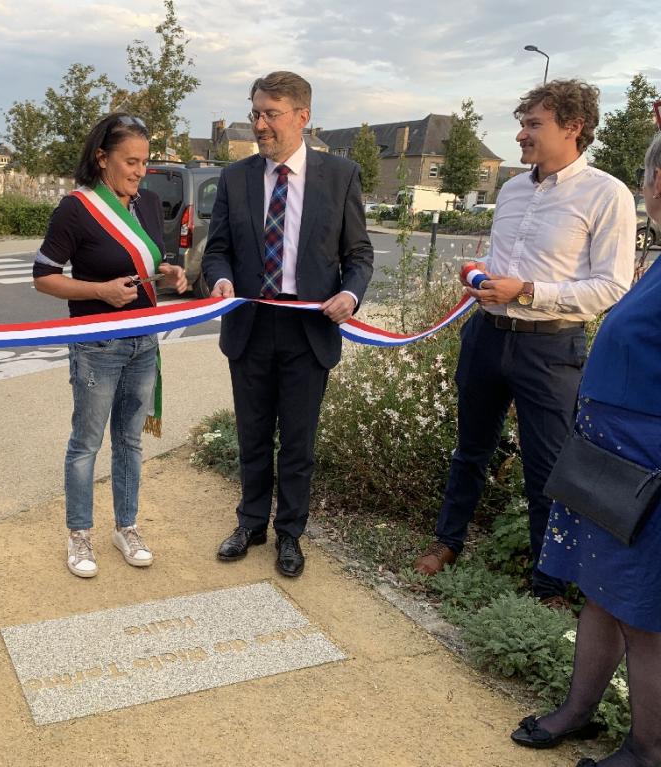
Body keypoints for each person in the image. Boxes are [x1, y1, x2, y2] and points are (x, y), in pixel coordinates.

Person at [414, 80, 635, 607]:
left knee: (549, 468)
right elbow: (506, 265)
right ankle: (449, 542)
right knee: (470, 449)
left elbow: (611, 286)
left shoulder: (608, 195)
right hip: (487, 335)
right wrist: (483, 277)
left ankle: (548, 583)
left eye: (534, 124)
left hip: (551, 349)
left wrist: (529, 292)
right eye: (524, 123)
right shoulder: (512, 190)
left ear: (574, 127)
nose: (520, 135)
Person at [509, 132, 661, 767]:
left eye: (654, 176)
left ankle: (649, 749)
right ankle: (578, 709)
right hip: (610, 454)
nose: (652, 187)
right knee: (599, 592)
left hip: (645, 464)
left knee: (643, 616)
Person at [201, 71, 374, 577]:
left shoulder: (340, 176)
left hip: (308, 333)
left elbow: (359, 255)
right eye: (255, 112)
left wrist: (350, 292)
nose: (259, 124)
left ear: (302, 116)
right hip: (250, 327)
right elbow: (218, 252)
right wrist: (221, 280)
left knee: (297, 442)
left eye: (270, 114)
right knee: (252, 435)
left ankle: (290, 534)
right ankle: (251, 523)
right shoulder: (236, 178)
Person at [33, 113, 187, 578]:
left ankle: (126, 526)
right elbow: (44, 278)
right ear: (102, 159)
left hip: (143, 341)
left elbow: (151, 262)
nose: (140, 171)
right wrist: (100, 291)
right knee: (86, 442)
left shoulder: (149, 203)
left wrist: (171, 274)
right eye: (131, 161)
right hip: (97, 344)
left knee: (130, 440)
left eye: (145, 162)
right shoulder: (75, 209)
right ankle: (79, 535)